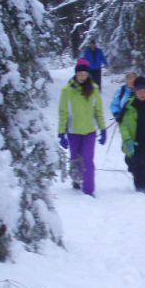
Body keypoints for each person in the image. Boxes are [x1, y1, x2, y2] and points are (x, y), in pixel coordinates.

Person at [57, 58, 107, 197]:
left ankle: (88, 189)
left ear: (88, 74)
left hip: (89, 131)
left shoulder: (94, 89)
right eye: (80, 74)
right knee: (75, 158)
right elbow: (63, 112)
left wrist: (103, 129)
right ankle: (76, 180)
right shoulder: (67, 90)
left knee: (87, 159)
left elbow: (98, 111)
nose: (82, 77)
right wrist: (61, 133)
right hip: (73, 131)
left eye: (84, 75)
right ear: (76, 74)